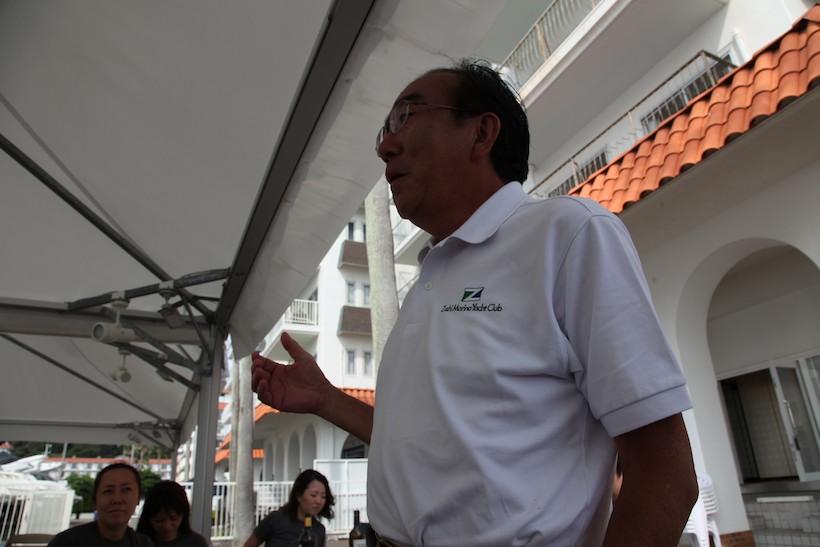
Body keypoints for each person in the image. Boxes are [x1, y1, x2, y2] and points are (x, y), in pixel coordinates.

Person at [251, 59, 698, 546]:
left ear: (481, 133)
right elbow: (425, 445)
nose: (385, 146)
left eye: (406, 117)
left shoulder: (567, 234)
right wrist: (326, 399)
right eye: (385, 129)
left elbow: (665, 475)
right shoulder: (430, 275)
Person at [48, 462, 153, 546]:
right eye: (108, 491)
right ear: (95, 501)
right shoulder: (67, 542)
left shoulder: (143, 543)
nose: (117, 499)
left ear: (138, 498)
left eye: (126, 490)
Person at [241, 468, 334, 547]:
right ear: (299, 496)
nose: (319, 501)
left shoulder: (319, 530)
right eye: (313, 495)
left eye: (323, 496)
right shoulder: (276, 520)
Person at [136, 480, 209, 546]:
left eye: (174, 519)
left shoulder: (196, 543)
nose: (167, 526)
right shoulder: (138, 542)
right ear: (148, 517)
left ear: (183, 516)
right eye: (159, 520)